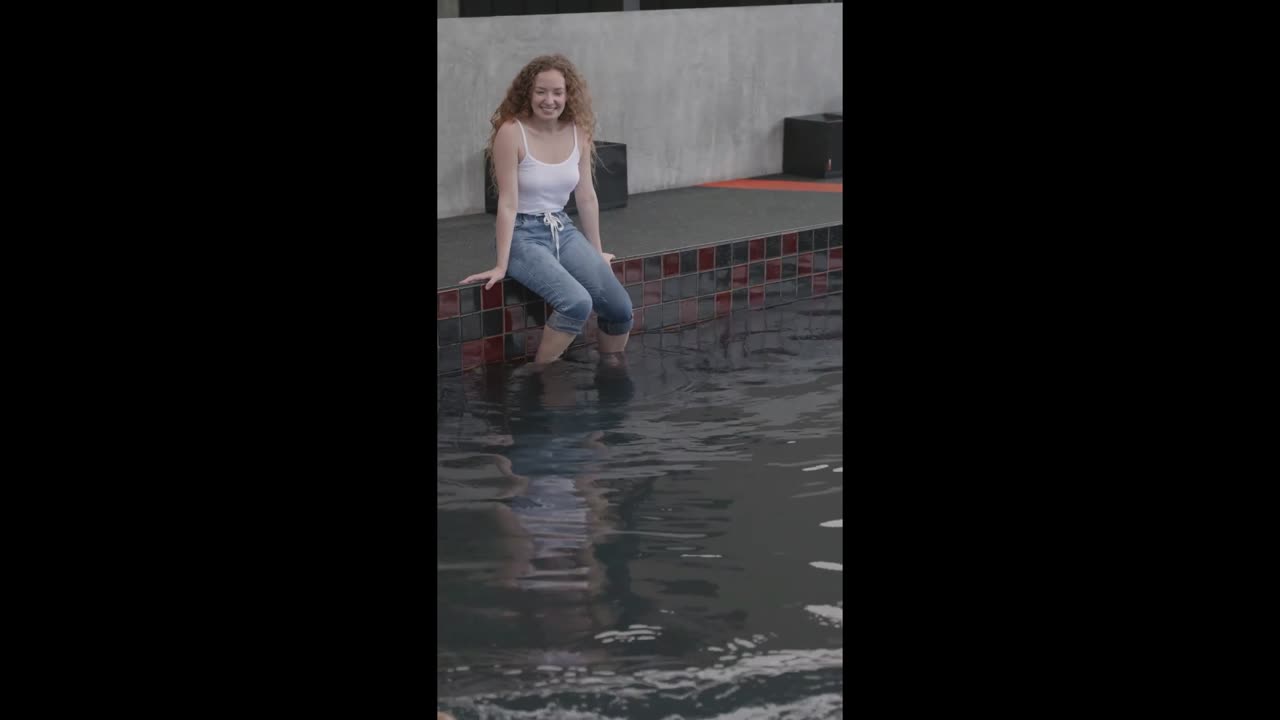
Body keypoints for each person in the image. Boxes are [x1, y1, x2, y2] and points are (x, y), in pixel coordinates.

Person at [461, 54, 632, 367]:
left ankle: (612, 375)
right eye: (541, 91)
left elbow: (586, 196)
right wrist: (501, 263)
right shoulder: (512, 132)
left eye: (557, 92)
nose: (549, 100)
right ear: (528, 92)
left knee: (620, 307)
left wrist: (596, 252)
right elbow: (508, 202)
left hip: (563, 230)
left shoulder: (578, 132)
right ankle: (541, 381)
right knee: (575, 303)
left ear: (568, 95)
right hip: (523, 235)